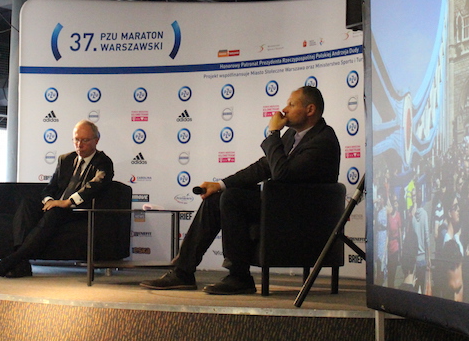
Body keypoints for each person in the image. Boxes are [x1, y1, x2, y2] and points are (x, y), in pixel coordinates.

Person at [140, 86, 340, 294]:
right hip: (281, 205)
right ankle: (183, 272)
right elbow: (264, 166)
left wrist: (273, 133)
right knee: (216, 198)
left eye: (291, 104)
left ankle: (239, 276)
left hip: (302, 214)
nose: (284, 109)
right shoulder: (292, 135)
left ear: (310, 110)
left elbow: (282, 174)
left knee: (232, 198)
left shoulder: (323, 140)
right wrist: (220, 184)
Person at [0, 120, 113, 278]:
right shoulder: (65, 159)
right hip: (57, 206)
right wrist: (49, 200)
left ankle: (12, 260)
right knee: (27, 203)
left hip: (78, 210)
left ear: (96, 140)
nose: (79, 144)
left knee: (55, 211)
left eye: (85, 140)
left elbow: (95, 185)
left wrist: (68, 202)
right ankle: (20, 263)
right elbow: (50, 187)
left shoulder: (103, 162)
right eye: (76, 139)